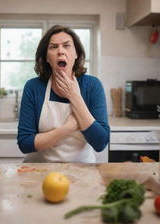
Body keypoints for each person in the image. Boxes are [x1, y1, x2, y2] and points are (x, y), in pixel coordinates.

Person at [17, 25, 110, 163]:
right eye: (53, 47)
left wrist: (74, 97)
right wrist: (68, 128)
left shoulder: (92, 86)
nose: (60, 51)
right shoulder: (34, 87)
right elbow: (25, 143)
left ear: (76, 54)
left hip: (82, 172)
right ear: (47, 58)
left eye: (67, 46)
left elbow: (101, 142)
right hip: (39, 170)